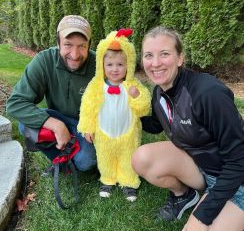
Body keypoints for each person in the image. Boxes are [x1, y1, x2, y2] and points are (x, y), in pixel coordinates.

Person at [132, 26, 244, 231]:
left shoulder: (208, 93)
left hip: (236, 181)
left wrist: (202, 216)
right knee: (142, 158)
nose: (155, 63)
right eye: (148, 55)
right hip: (203, 169)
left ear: (180, 58)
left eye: (164, 54)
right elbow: (157, 123)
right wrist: (128, 109)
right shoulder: (159, 92)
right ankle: (186, 196)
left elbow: (239, 163)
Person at [6, 15, 97, 171]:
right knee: (26, 126)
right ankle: (60, 160)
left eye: (82, 46)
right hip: (58, 116)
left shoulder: (100, 65)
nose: (75, 55)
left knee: (86, 162)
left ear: (89, 45)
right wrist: (56, 125)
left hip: (88, 126)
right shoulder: (44, 60)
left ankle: (74, 156)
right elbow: (15, 104)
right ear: (58, 43)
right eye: (68, 44)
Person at [77, 28, 151, 201]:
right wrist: (87, 128)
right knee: (105, 156)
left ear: (129, 65)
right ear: (102, 65)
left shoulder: (133, 85)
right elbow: (87, 107)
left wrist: (136, 96)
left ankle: (129, 181)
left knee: (128, 156)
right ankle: (108, 179)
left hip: (128, 133)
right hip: (104, 132)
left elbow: (144, 108)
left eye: (120, 65)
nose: (115, 69)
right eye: (109, 65)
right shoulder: (96, 86)